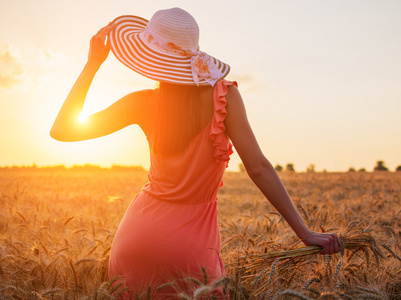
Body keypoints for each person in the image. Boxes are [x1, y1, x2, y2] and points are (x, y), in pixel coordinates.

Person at [50, 7, 341, 299]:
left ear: (149, 57)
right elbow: (258, 168)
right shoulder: (225, 96)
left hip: (135, 239)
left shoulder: (141, 102)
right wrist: (306, 233)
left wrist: (92, 65)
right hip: (191, 250)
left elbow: (62, 130)